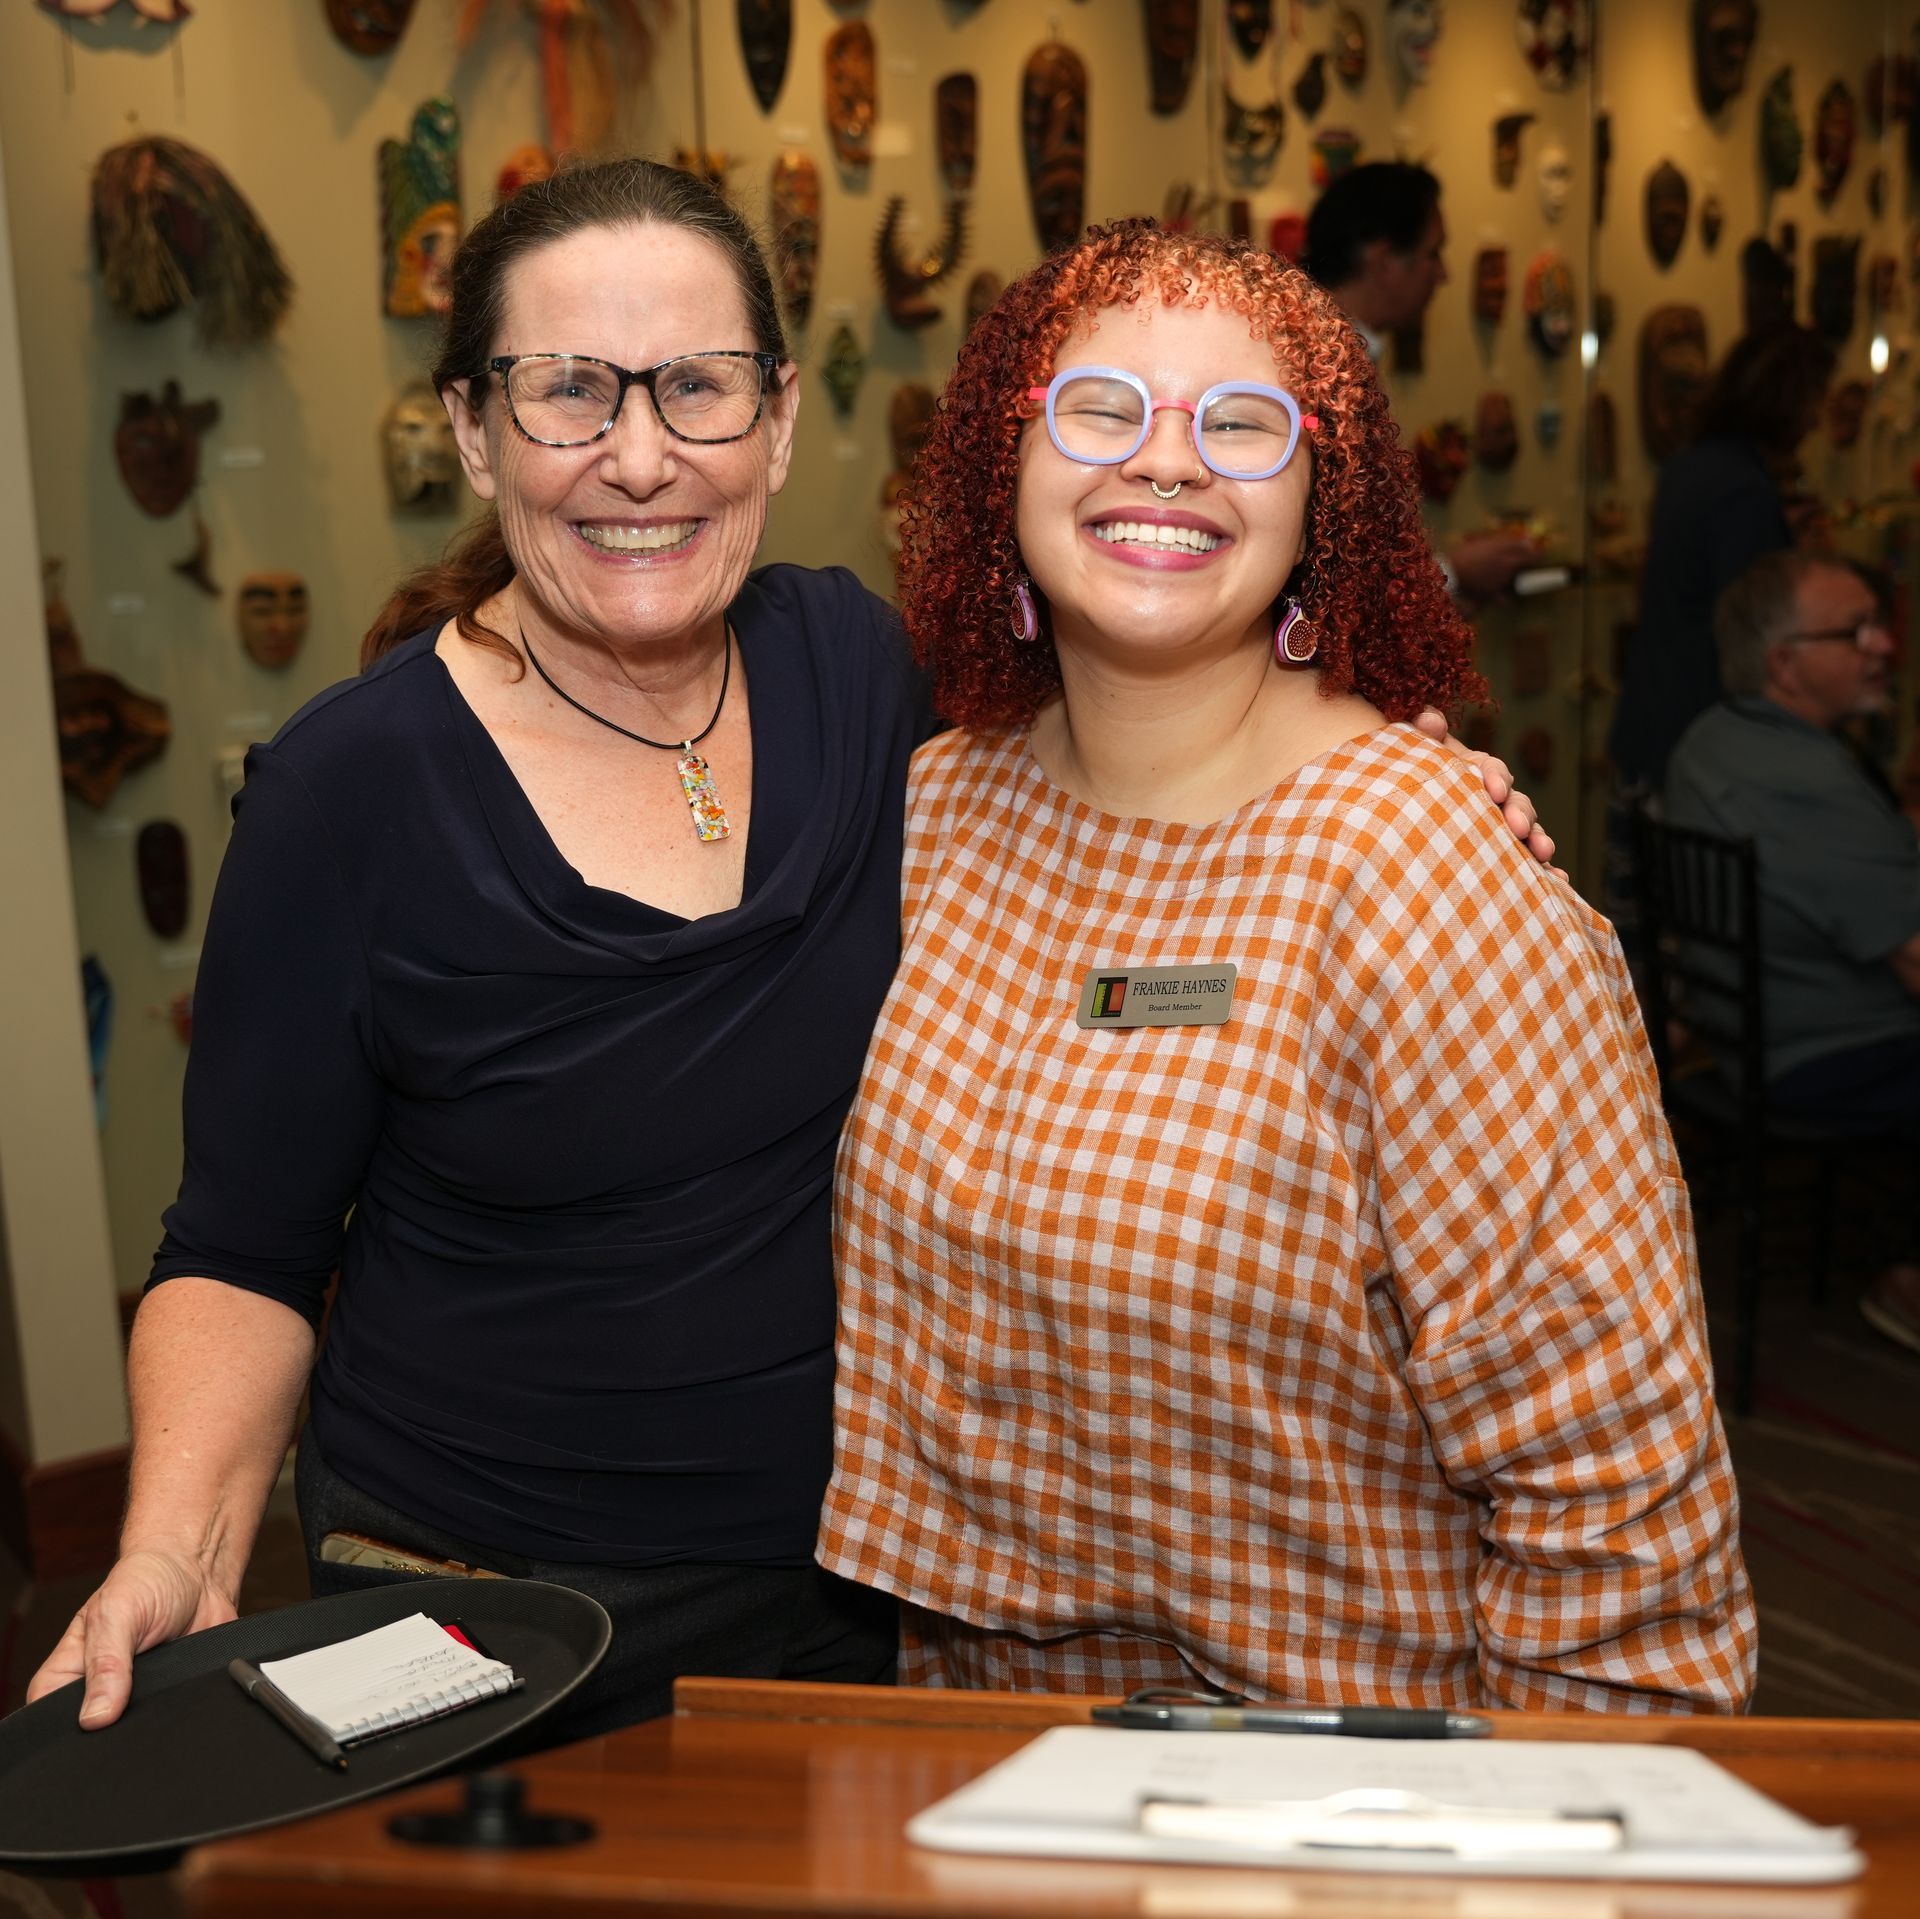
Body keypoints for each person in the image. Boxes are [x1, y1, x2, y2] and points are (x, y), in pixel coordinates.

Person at [30, 163, 1547, 1738]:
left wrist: (1397, 782)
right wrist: (172, 1547)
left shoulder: (872, 681)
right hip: (476, 1603)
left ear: (777, 419)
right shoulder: (349, 790)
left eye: (697, 387)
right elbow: (243, 1244)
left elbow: (1141, 767)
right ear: (476, 431)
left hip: (863, 1588)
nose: (640, 457)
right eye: (567, 393)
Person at [818, 219, 1756, 1712]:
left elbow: (1617, 1494)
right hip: (964, 1740)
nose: (1168, 463)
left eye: (1242, 425)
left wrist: (1562, 1833)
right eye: (1099, 407)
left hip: (1336, 1780)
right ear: (1006, 462)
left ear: (1329, 503)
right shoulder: (934, 809)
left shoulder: (1424, 870)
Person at [1665, 551, 1920, 1352]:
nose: (1883, 644)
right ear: (1785, 664)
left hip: (1744, 1037)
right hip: (1820, 1054)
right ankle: (1908, 1283)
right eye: (1856, 631)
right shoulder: (1808, 780)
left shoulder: (1711, 738)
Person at [1610, 325, 1837, 791]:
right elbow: (1753, 633)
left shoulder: (1688, 466)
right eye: (1815, 402)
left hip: (1653, 718)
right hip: (1699, 735)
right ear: (1786, 401)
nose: (1816, 422)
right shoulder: (1744, 490)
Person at [1304, 161, 1538, 608]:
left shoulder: (1342, 354)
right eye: (1433, 253)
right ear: (1385, 259)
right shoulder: (1317, 368)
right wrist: (1453, 572)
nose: (1443, 274)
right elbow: (1327, 560)